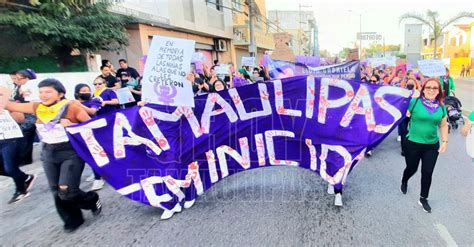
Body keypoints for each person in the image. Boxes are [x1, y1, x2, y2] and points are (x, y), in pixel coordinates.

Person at [3, 79, 102, 232]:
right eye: (41, 92)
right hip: (48, 152)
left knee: (67, 190)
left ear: (60, 93)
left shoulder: (71, 107)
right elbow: (8, 105)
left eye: (48, 91)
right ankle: (73, 220)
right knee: (56, 190)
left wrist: (74, 125)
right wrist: (4, 89)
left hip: (71, 153)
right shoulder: (37, 107)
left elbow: (91, 128)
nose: (43, 95)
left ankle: (91, 200)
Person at [400, 78, 448, 213]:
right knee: (411, 168)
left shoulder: (441, 106)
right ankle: (404, 180)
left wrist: (445, 141)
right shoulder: (414, 102)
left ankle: (423, 198)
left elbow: (443, 125)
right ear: (423, 89)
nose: (431, 90)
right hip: (413, 143)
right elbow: (399, 112)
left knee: (427, 172)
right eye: (428, 87)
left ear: (439, 91)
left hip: (431, 146)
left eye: (434, 88)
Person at [0, 86, 36, 204]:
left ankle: (21, 190)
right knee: (5, 168)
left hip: (10, 137)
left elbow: (20, 118)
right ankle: (25, 178)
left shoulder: (4, 99)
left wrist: (7, 107)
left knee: (10, 167)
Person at [12, 69, 38, 165]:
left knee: (26, 135)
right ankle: (24, 158)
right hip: (23, 113)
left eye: (19, 79)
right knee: (26, 136)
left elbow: (30, 101)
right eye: (16, 78)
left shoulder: (29, 86)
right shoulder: (19, 86)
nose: (17, 80)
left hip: (30, 113)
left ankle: (25, 159)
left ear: (27, 78)